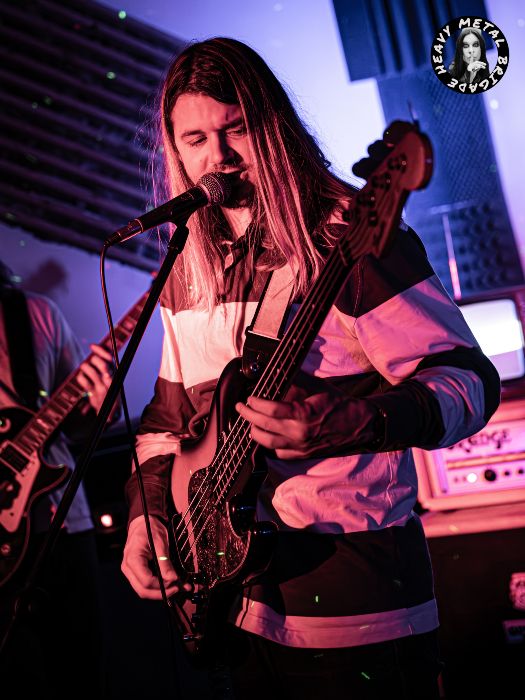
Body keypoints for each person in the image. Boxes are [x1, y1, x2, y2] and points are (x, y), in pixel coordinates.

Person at [120, 37, 501, 699]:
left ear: (272, 128)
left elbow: (469, 384)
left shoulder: (349, 239)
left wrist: (355, 421)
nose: (218, 156)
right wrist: (146, 520)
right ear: (175, 150)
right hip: (239, 609)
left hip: (355, 601)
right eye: (196, 139)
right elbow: (165, 423)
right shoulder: (190, 266)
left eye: (236, 129)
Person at [0, 260, 117, 698]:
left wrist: (99, 405)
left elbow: (78, 424)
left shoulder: (35, 313)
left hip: (61, 523)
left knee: (82, 673)